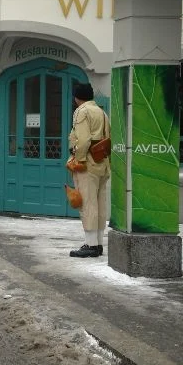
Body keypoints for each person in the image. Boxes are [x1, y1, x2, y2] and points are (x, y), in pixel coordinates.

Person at [67, 83, 111, 258]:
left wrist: (77, 157)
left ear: (77, 97)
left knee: (87, 203)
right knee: (100, 204)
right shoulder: (101, 112)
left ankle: (90, 245)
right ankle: (98, 244)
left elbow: (84, 140)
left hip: (88, 164)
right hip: (102, 163)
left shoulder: (82, 111)